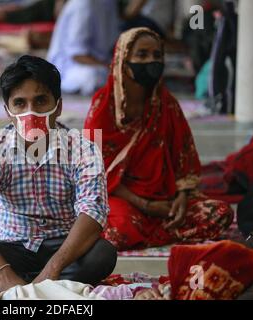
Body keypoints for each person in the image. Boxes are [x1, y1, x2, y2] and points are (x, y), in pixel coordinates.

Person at [0, 55, 117, 298]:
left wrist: (53, 268)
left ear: (59, 105)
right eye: (20, 103)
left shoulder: (83, 151)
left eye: (41, 100)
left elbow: (92, 211)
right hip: (10, 249)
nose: (31, 112)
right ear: (8, 111)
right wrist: (2, 272)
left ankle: (12, 294)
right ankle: (41, 292)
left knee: (102, 254)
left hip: (63, 250)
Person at [84, 28, 234, 251]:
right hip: (121, 197)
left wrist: (182, 199)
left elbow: (184, 158)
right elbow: (95, 170)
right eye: (142, 55)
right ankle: (156, 231)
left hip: (165, 199)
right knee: (117, 230)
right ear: (124, 61)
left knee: (219, 213)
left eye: (157, 55)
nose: (151, 61)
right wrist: (146, 205)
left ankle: (151, 232)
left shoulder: (167, 104)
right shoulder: (103, 106)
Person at [47, 0, 121, 96]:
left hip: (100, 63)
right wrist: (109, 67)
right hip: (69, 68)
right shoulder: (82, 4)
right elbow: (77, 55)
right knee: (92, 77)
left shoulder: (109, 3)